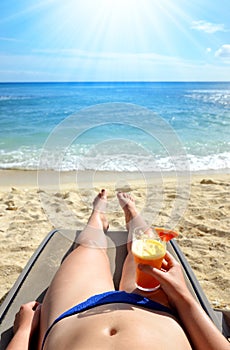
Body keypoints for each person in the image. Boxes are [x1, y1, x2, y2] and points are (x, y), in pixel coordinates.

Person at [6, 190, 229, 350]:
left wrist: (25, 330)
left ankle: (97, 216)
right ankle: (132, 213)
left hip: (73, 316)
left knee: (88, 248)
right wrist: (182, 296)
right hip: (154, 313)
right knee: (145, 247)